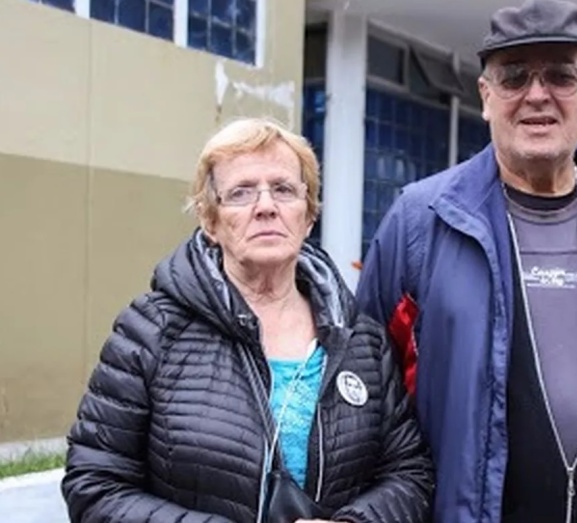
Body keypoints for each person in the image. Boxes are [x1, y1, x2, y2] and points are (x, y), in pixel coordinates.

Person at [356, 1, 577, 522]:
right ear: (486, 96)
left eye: (560, 75)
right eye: (513, 77)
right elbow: (367, 395)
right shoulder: (420, 221)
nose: (536, 95)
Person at [62, 118, 434, 522]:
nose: (266, 206)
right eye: (241, 192)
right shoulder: (150, 331)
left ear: (308, 215)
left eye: (284, 189)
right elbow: (94, 485)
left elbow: (409, 474)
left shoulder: (362, 341)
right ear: (210, 220)